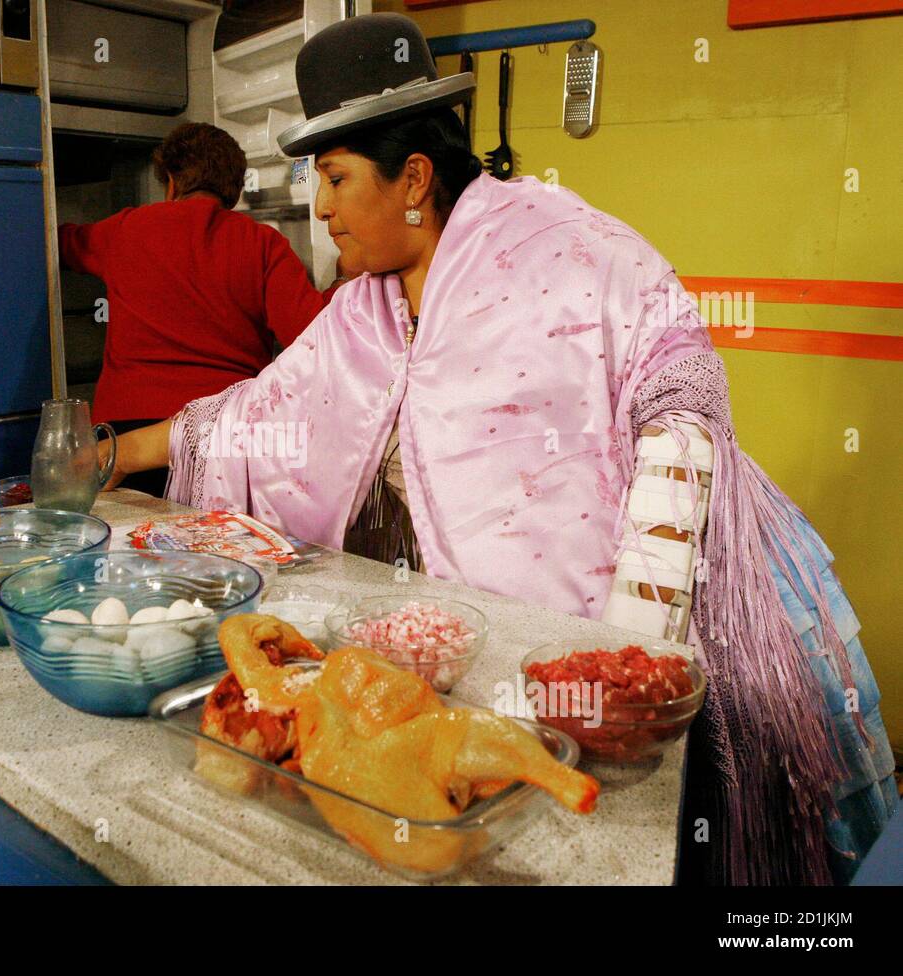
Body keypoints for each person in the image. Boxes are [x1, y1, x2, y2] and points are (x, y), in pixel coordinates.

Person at [101, 14, 896, 884]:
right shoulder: (368, 307)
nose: (319, 206)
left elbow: (680, 401)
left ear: (412, 178)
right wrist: (112, 458)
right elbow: (258, 413)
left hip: (682, 607)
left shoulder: (560, 245)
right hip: (527, 659)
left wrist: (626, 655)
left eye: (334, 178)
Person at [58, 121, 331, 496]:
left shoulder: (126, 229)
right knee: (214, 550)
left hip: (123, 438)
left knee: (130, 547)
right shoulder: (263, 243)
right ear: (234, 191)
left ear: (170, 181)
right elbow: (309, 336)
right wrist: (345, 287)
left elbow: (60, 243)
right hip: (217, 436)